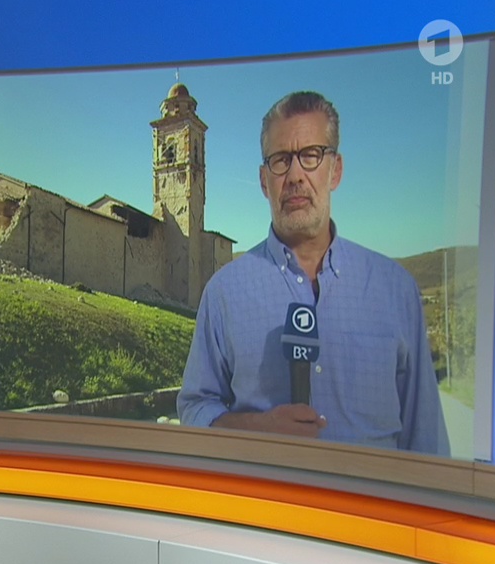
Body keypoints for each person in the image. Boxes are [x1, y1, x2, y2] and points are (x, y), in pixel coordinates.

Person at [177, 91, 449, 455]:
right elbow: (195, 408)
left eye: (311, 155)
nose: (295, 176)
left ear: (335, 170)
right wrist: (257, 429)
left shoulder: (396, 289)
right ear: (264, 181)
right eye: (280, 160)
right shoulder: (223, 293)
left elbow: (427, 440)